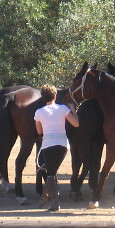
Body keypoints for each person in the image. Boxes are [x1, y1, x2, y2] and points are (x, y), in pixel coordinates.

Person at [34, 84, 79, 212]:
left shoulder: (39, 112)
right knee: (52, 173)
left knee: (51, 174)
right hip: (63, 145)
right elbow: (76, 124)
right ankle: (45, 197)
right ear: (55, 96)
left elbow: (39, 131)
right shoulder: (63, 108)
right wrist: (74, 111)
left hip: (48, 144)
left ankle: (54, 201)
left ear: (43, 97)